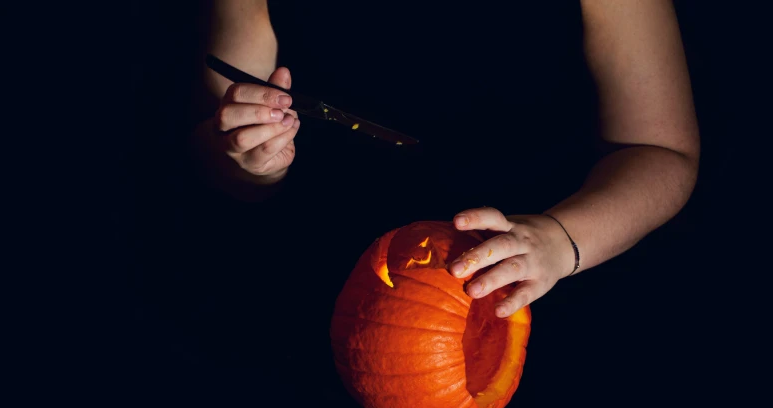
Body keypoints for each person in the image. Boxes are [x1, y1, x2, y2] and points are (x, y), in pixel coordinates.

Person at [190, 0, 700, 319]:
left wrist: (560, 239)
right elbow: (209, 161)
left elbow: (662, 154)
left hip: (557, 297)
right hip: (320, 299)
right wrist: (251, 158)